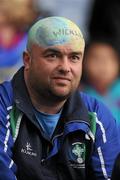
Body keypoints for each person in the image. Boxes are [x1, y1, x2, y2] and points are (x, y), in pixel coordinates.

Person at [0, 16, 119, 180]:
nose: (65, 67)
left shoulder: (97, 117)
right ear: (27, 60)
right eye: (52, 55)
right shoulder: (3, 104)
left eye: (74, 57)